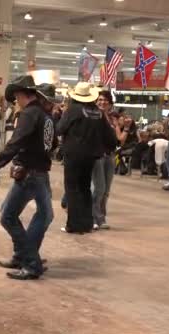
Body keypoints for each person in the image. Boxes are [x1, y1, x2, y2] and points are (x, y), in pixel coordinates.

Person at [0, 76, 55, 280]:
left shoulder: (29, 114)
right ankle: (23, 256)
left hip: (29, 172)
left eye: (16, 97)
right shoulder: (46, 116)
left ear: (22, 94)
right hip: (39, 171)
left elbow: (15, 143)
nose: (15, 101)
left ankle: (31, 262)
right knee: (36, 214)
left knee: (7, 216)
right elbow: (52, 144)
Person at [57, 83, 117, 234]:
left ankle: (73, 225)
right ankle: (87, 223)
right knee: (85, 189)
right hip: (92, 156)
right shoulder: (97, 112)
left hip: (74, 155)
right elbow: (110, 137)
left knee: (72, 189)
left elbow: (60, 129)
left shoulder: (73, 110)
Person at [92, 91, 117, 228]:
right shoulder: (93, 117)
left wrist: (123, 127)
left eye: (105, 100)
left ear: (110, 103)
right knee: (98, 188)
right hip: (97, 156)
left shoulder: (113, 119)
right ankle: (94, 218)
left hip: (110, 155)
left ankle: (101, 218)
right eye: (100, 100)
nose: (102, 102)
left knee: (106, 190)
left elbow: (119, 139)